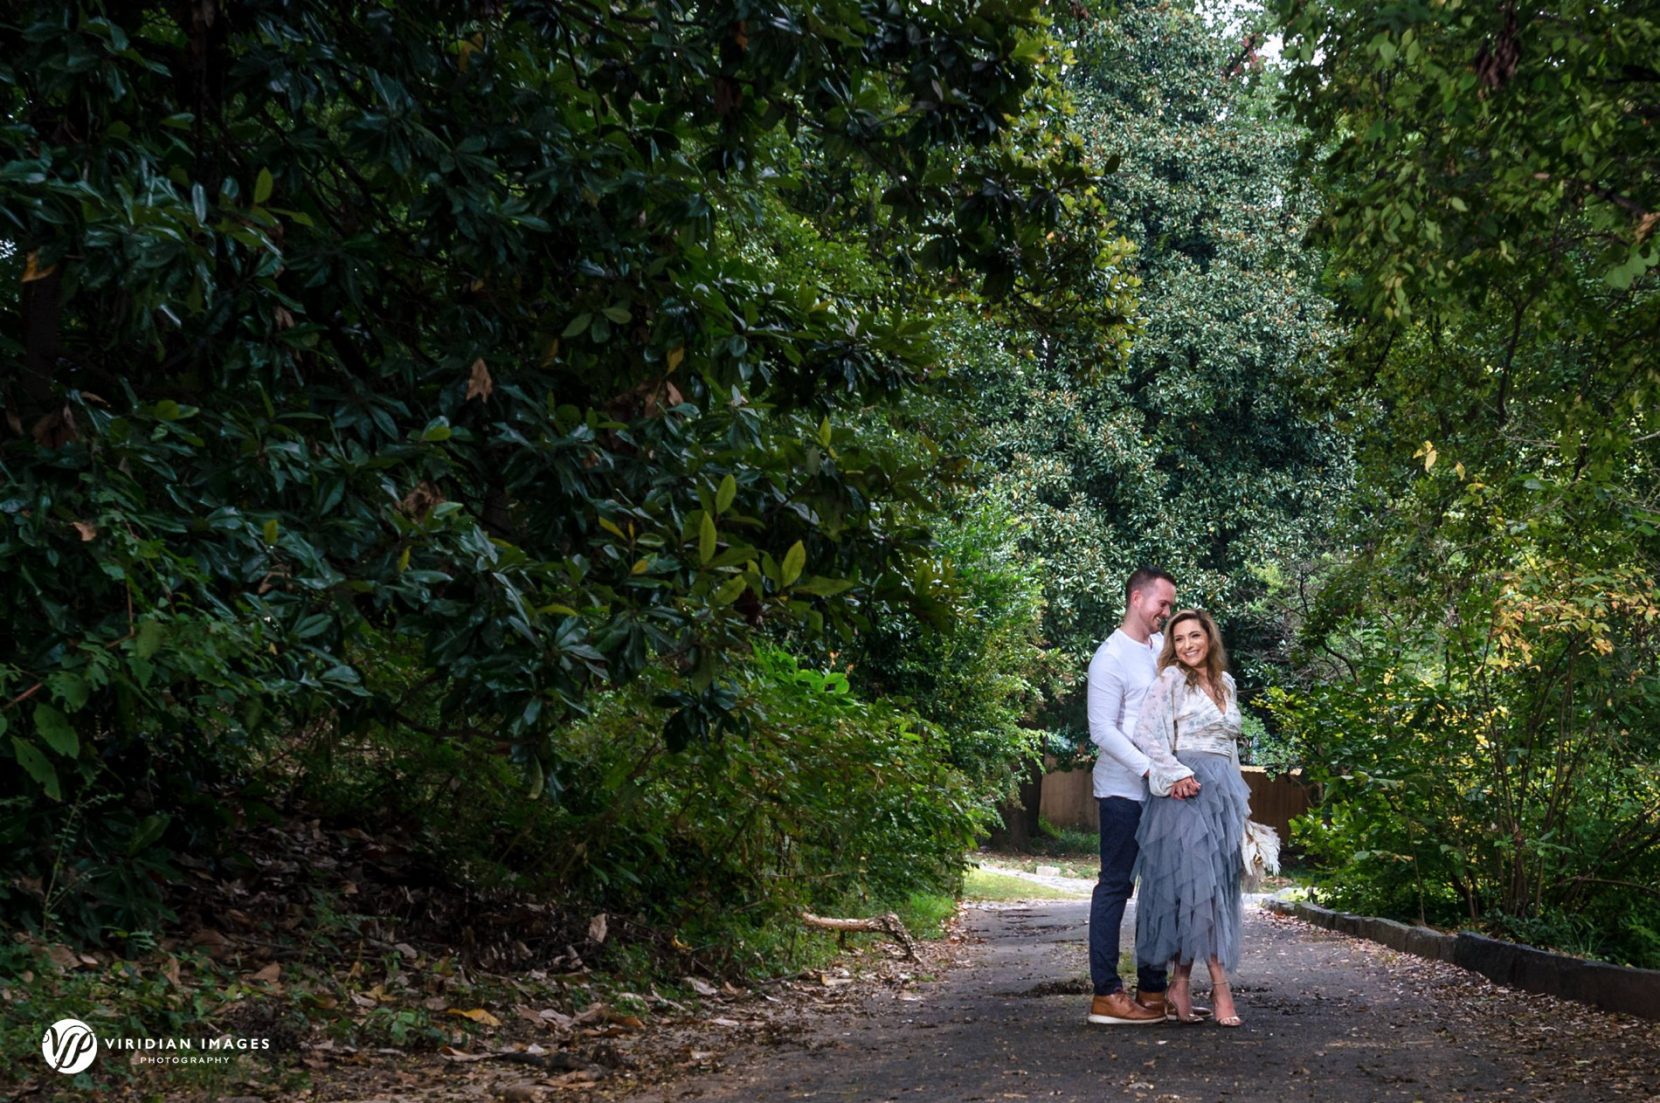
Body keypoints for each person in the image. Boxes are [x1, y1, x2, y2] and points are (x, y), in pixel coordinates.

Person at [1084, 567, 1202, 1026]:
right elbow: (1102, 731)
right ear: (1137, 598)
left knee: (1162, 890)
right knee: (1115, 885)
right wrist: (1153, 769)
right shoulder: (1110, 657)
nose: (1167, 614)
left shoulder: (1160, 650)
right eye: (1162, 605)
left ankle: (1152, 990)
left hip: (1163, 793)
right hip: (1122, 792)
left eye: (1170, 607)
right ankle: (1106, 994)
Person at [1130, 609, 1250, 1028]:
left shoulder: (1227, 684)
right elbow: (1146, 734)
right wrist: (1176, 774)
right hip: (1188, 791)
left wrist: (1240, 806)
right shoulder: (1170, 680)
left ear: (1209, 638)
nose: (1187, 646)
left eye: (1194, 636)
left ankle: (1179, 983)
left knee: (1209, 889)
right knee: (1198, 892)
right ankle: (1220, 989)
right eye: (1178, 639)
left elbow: (1230, 747)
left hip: (1224, 794)